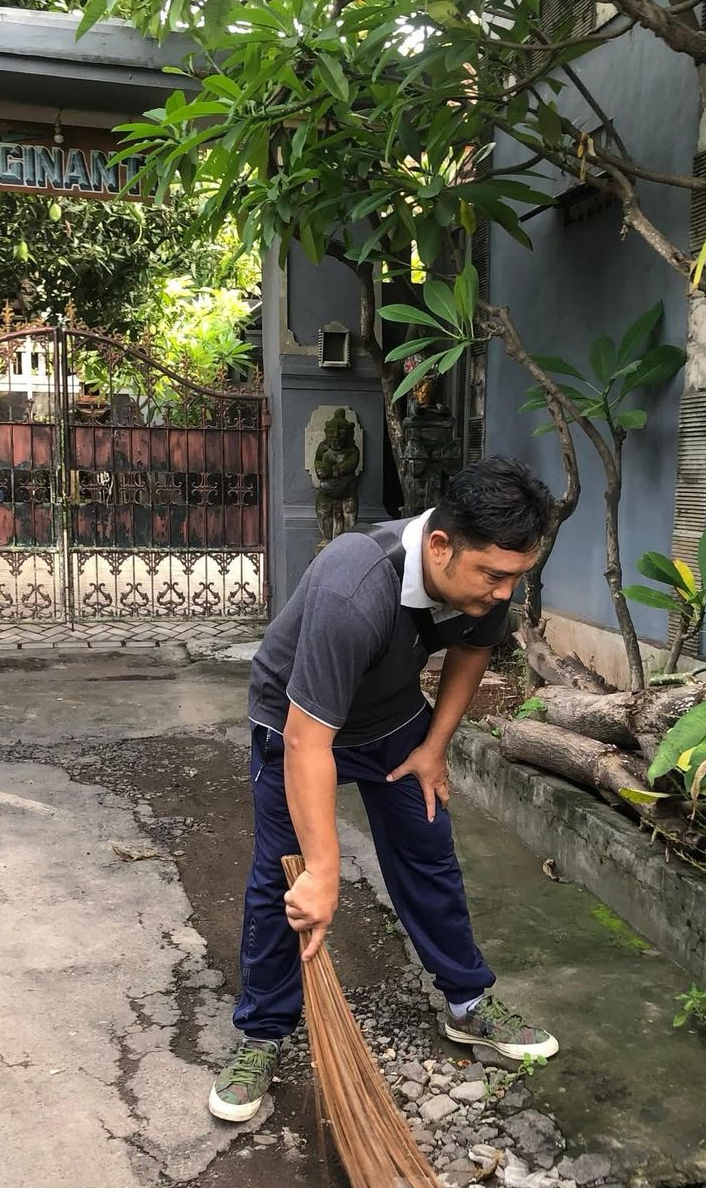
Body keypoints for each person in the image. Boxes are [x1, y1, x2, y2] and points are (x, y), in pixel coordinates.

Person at [209, 455, 560, 1122]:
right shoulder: (354, 587)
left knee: (427, 849)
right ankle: (263, 1031)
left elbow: (472, 653)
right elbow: (311, 742)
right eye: (494, 576)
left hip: (393, 715)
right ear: (439, 546)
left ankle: (469, 1004)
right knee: (285, 878)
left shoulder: (482, 581)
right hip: (297, 720)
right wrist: (324, 871)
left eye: (517, 578)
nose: (504, 594)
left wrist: (433, 749)